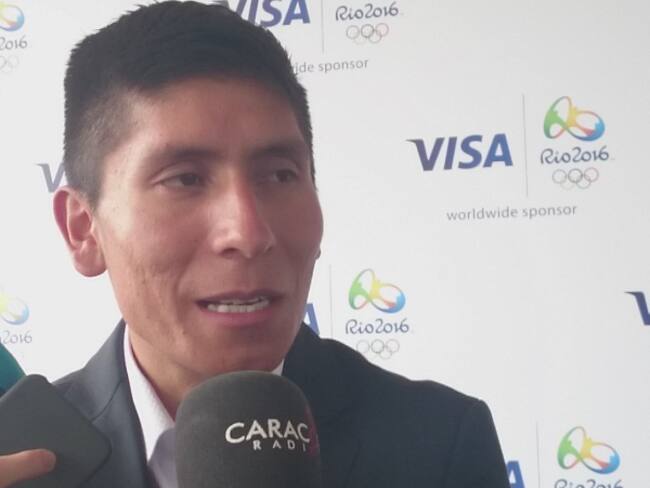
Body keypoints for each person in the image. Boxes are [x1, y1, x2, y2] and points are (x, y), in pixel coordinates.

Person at [0, 2, 510, 487]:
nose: (247, 233)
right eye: (184, 180)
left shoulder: (439, 444)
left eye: (280, 175)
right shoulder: (18, 454)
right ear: (83, 229)